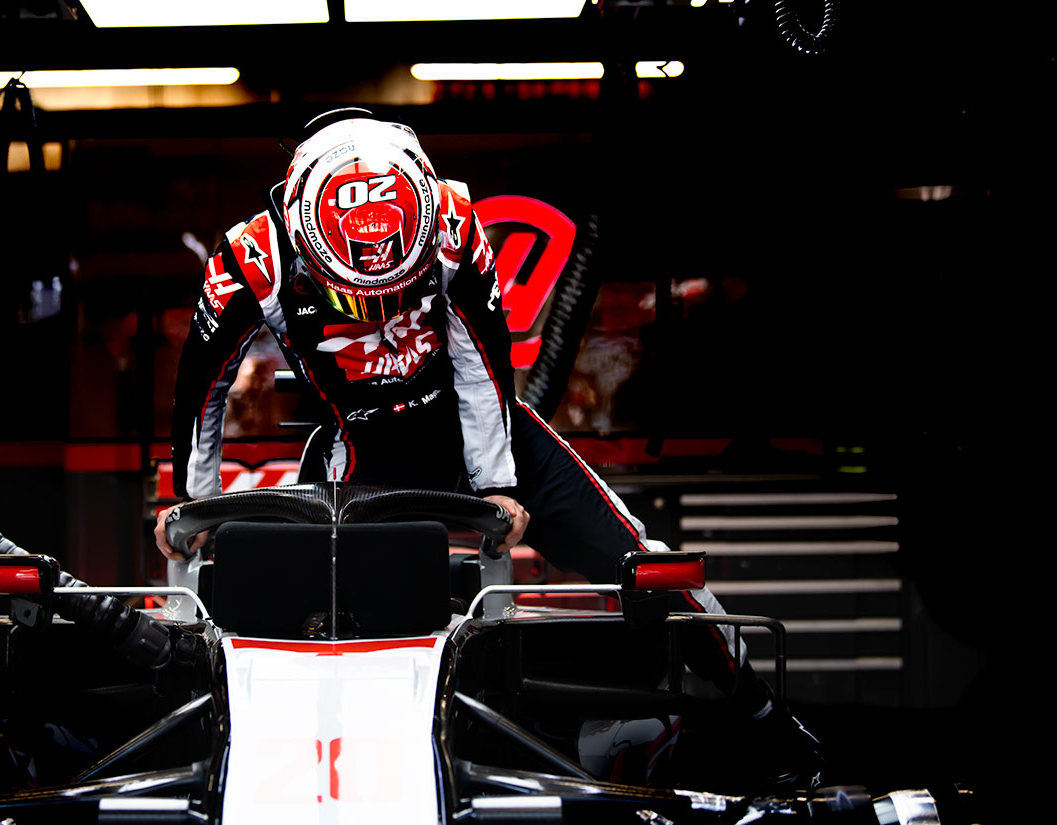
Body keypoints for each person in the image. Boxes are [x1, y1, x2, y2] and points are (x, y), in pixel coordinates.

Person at [154, 109, 819, 785]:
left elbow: (480, 356)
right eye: (360, 300)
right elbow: (201, 389)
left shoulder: (450, 222)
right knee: (338, 624)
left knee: (641, 566)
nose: (382, 313)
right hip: (364, 454)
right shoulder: (247, 263)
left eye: (396, 292)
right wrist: (194, 506)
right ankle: (340, 776)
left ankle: (761, 719)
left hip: (486, 427)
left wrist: (496, 479)